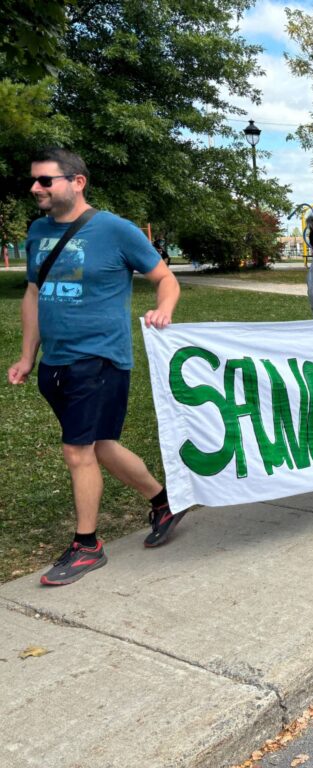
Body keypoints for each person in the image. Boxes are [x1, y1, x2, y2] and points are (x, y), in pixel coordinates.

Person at [8, 148, 182, 586]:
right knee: (100, 444)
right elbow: (32, 294)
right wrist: (29, 356)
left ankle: (88, 545)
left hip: (100, 357)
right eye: (34, 180)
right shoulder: (37, 231)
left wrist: (164, 308)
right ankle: (164, 501)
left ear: (77, 182)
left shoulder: (116, 230)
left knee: (77, 450)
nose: (35, 188)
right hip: (57, 360)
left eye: (45, 181)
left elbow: (165, 278)